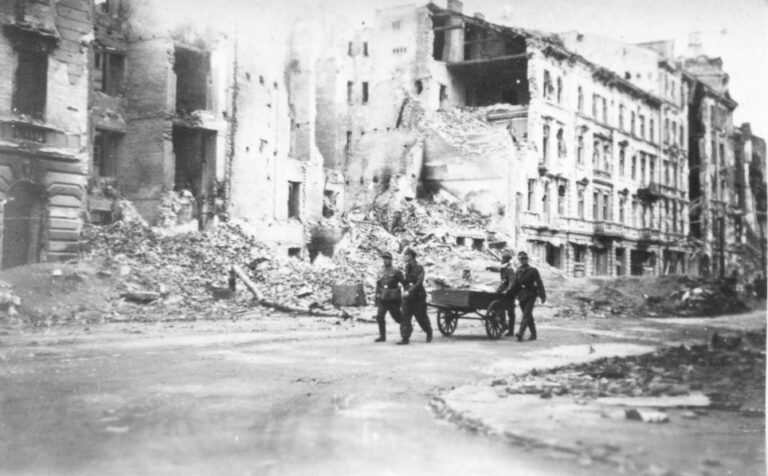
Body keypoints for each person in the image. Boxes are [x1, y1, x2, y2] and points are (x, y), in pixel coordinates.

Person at [398, 248, 433, 345]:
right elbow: (407, 282)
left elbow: (419, 282)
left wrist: (409, 291)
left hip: (418, 296)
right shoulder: (407, 267)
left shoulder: (419, 268)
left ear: (410, 256)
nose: (404, 257)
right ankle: (405, 337)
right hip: (408, 297)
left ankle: (428, 331)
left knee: (421, 317)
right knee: (405, 316)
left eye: (405, 255)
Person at [510, 251, 546, 341]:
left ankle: (520, 333)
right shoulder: (518, 271)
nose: (523, 260)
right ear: (519, 260)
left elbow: (539, 282)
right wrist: (510, 293)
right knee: (528, 315)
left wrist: (542, 295)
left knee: (526, 314)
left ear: (527, 259)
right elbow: (515, 284)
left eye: (524, 258)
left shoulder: (533, 270)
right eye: (521, 259)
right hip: (521, 296)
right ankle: (534, 334)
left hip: (531, 295)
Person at [373, 251, 405, 343]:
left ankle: (405, 333)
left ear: (391, 260)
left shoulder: (396, 271)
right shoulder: (380, 271)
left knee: (397, 317)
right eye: (384, 259)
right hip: (383, 298)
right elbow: (378, 284)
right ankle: (382, 336)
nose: (385, 260)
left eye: (387, 259)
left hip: (393, 299)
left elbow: (404, 283)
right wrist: (377, 297)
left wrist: (406, 293)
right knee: (380, 316)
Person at [487, 252, 517, 337]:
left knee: (510, 311)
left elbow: (512, 282)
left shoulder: (510, 269)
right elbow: (498, 269)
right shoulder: (505, 267)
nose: (501, 260)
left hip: (510, 292)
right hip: (503, 289)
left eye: (503, 258)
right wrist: (490, 268)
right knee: (499, 308)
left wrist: (507, 290)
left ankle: (511, 330)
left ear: (507, 260)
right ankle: (504, 325)